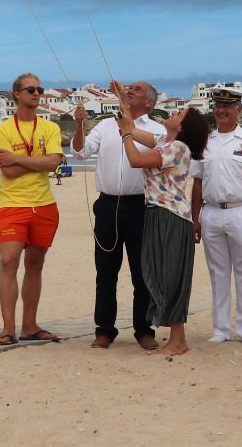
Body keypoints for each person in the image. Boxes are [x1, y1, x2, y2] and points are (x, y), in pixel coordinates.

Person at [69, 79, 168, 351]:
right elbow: (79, 152)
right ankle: (104, 330)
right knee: (106, 272)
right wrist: (80, 124)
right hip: (108, 204)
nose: (130, 90)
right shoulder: (106, 125)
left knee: (142, 272)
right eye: (130, 88)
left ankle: (144, 329)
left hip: (141, 206)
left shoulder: (156, 130)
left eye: (136, 89)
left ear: (148, 101)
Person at [120, 106, 212, 356]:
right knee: (159, 273)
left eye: (179, 113)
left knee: (170, 276)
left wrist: (126, 136)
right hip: (159, 214)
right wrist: (122, 98)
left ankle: (178, 340)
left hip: (170, 216)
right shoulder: (164, 141)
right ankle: (175, 338)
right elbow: (131, 126)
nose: (173, 112)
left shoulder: (177, 148)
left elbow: (136, 160)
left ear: (183, 127)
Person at [191, 86, 242, 344]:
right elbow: (197, 182)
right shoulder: (205, 141)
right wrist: (195, 219)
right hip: (212, 212)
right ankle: (221, 329)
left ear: (239, 110)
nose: (222, 110)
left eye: (228, 106)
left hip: (241, 211)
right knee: (217, 273)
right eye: (218, 106)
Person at [0, 72, 65, 346]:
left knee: (35, 265)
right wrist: (38, 161)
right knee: (9, 261)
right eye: (30, 89)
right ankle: (8, 328)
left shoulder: (50, 128)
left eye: (39, 89)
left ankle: (29, 326)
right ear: (17, 94)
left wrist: (19, 159)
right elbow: (8, 173)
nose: (36, 94)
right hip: (12, 205)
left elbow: (53, 164)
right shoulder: (3, 130)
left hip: (44, 204)